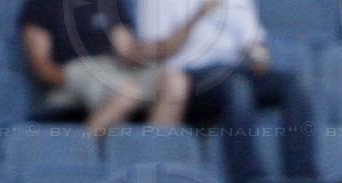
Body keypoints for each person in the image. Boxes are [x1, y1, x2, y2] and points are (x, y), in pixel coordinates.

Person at [133, 0, 342, 183]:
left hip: (236, 70)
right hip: (186, 77)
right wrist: (198, 15)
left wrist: (259, 56)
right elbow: (155, 52)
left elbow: (254, 42)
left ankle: (303, 179)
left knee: (296, 84)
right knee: (237, 87)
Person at [18, 0, 214, 137]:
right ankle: (79, 156)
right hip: (75, 70)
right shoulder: (41, 4)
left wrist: (191, 22)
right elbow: (40, 66)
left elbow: (127, 49)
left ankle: (152, 159)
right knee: (128, 92)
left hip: (115, 68)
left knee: (176, 83)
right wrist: (72, 79)